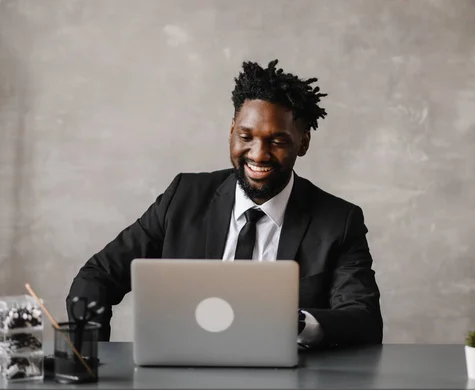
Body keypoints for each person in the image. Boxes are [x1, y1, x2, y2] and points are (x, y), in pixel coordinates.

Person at [67, 59, 383, 348]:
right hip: (182, 377)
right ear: (231, 131)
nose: (258, 154)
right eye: (246, 137)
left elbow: (363, 319)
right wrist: (89, 356)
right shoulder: (183, 197)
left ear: (303, 142)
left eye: (277, 141)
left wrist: (298, 323)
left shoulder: (338, 221)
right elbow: (97, 275)